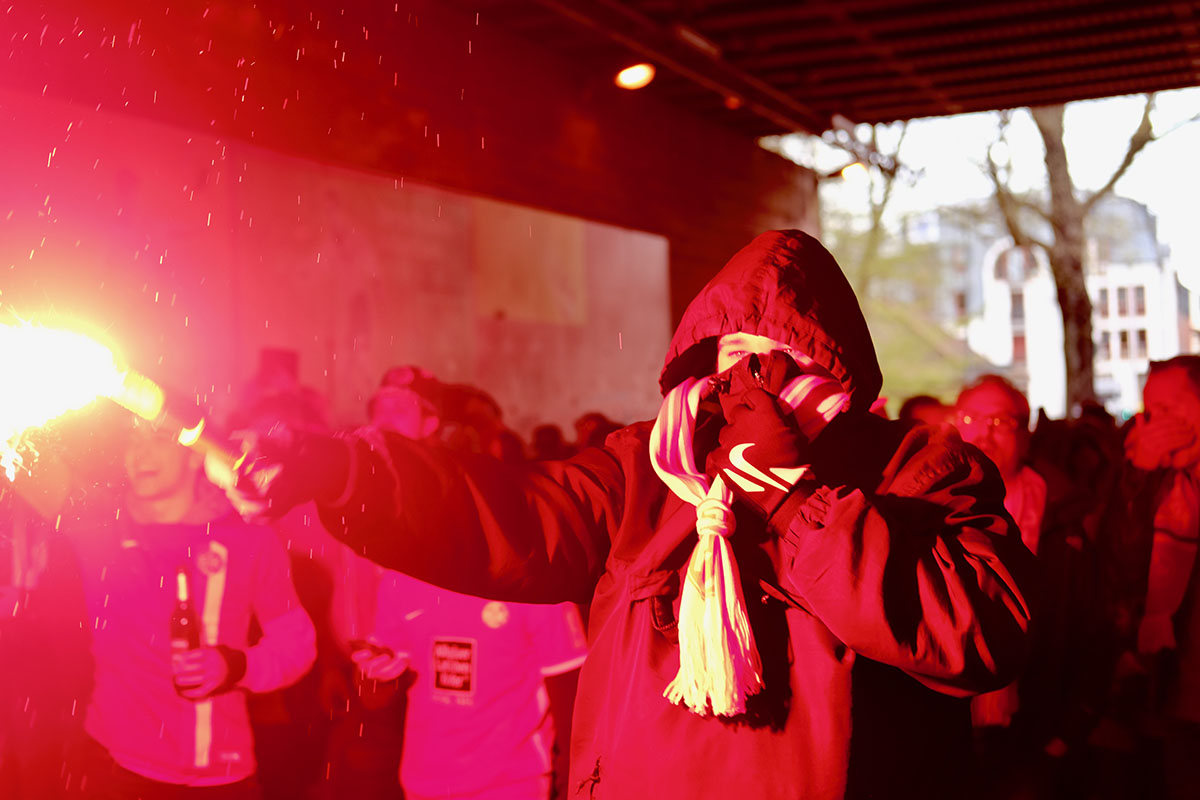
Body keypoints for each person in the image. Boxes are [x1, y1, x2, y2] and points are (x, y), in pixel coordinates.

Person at [227, 230, 1037, 799]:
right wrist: (348, 472)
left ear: (831, 367)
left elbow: (979, 633)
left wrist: (793, 498)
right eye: (731, 363)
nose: (745, 386)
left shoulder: (916, 469)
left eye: (774, 364)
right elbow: (508, 516)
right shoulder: (646, 469)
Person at [19, 415, 316, 798]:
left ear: (196, 454)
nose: (140, 452)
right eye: (133, 439)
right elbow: (19, 452)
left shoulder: (249, 537)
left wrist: (235, 665)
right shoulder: (99, 524)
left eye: (159, 438)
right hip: (115, 769)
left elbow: (297, 645)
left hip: (219, 777)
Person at [354, 368, 587, 800]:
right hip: (422, 784)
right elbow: (376, 697)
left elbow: (571, 693)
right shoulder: (402, 566)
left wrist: (572, 785)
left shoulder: (532, 566)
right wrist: (373, 675)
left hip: (513, 787)